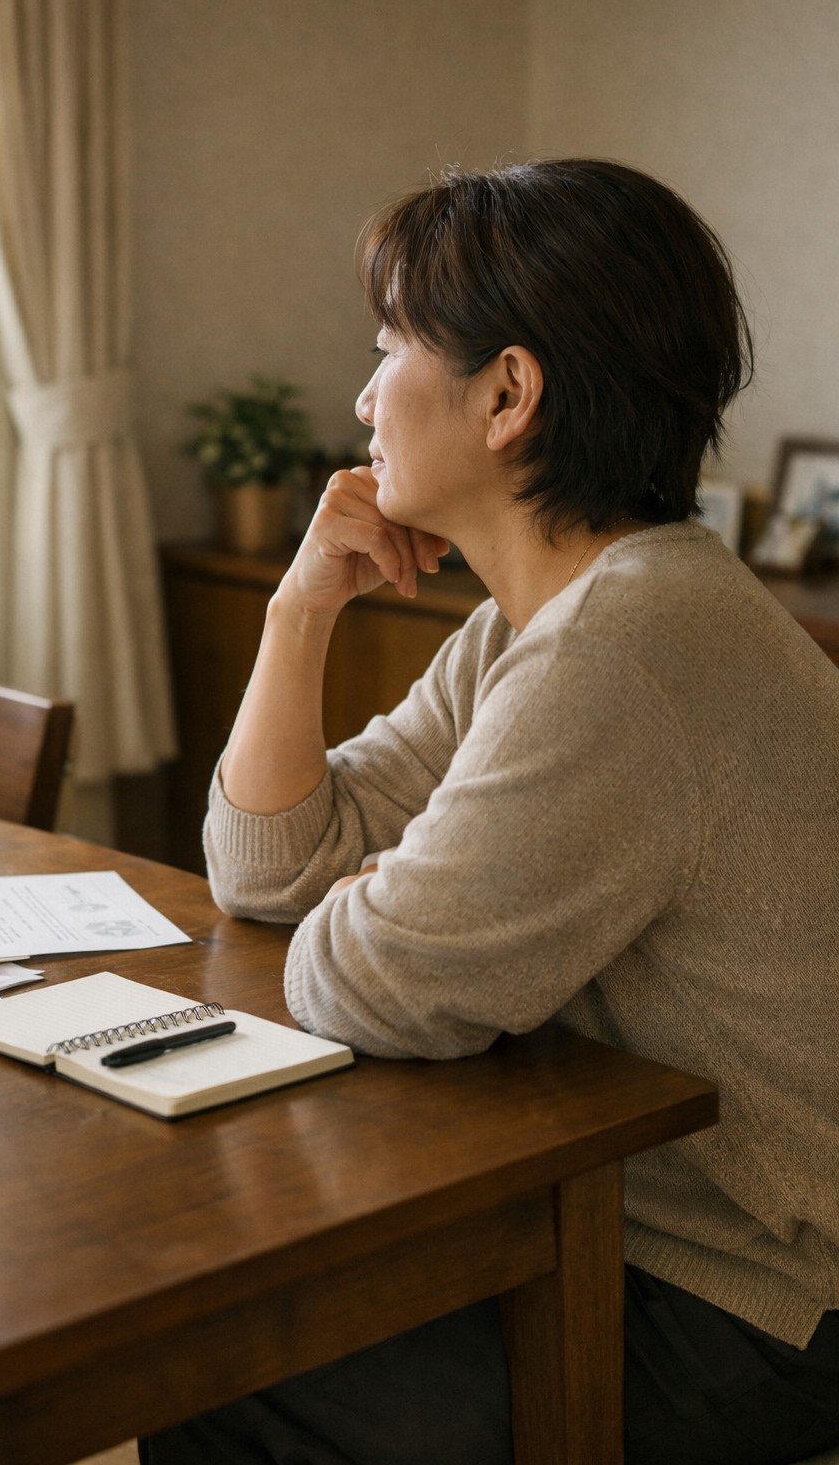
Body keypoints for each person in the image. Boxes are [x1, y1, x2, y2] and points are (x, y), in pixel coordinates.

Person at [140, 160, 839, 1464]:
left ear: (510, 393)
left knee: (210, 1365)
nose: (361, 396)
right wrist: (301, 611)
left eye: (389, 346)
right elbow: (271, 872)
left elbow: (373, 987)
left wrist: (394, 903)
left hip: (753, 1297)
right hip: (608, 1211)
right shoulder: (545, 623)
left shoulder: (627, 642)